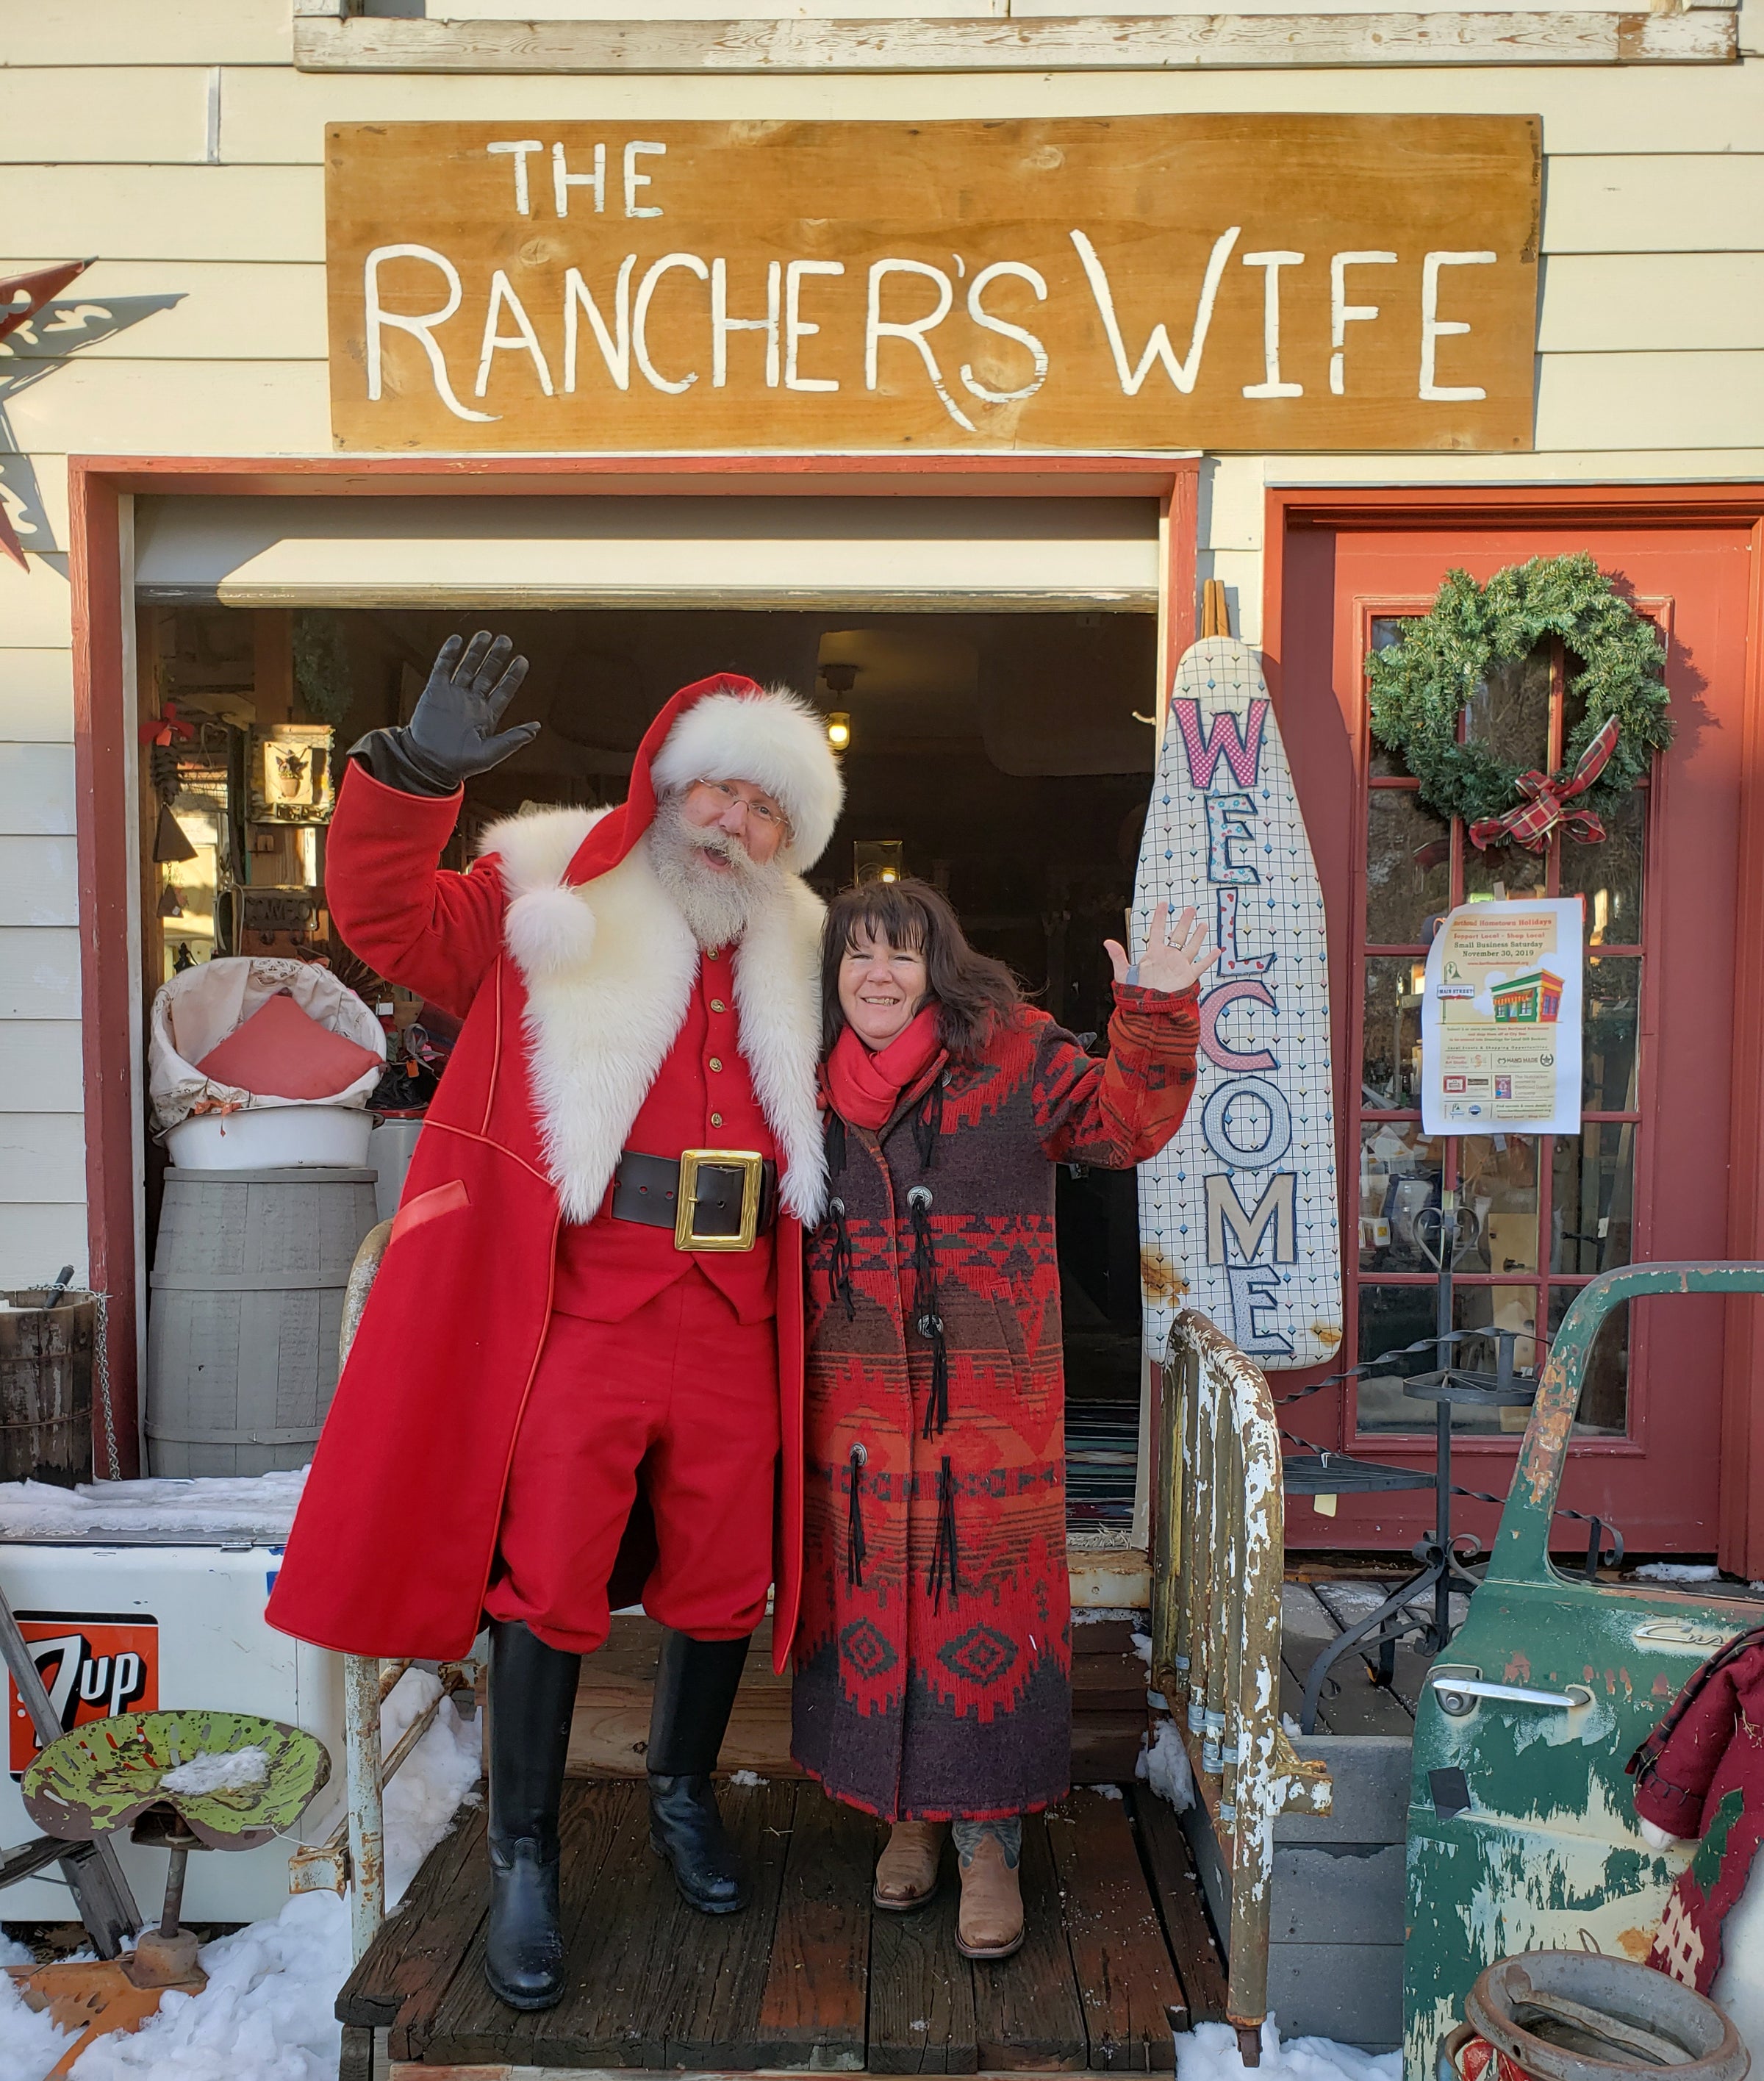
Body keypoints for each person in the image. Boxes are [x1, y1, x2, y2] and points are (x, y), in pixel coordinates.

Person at [265, 632, 842, 2009]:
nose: (737, 822)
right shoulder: (552, 882)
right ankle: (523, 1850)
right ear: (670, 786)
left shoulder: (811, 944)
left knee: (725, 1572)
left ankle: (682, 1793)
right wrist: (415, 776)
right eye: (720, 791)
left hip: (740, 1309)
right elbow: (392, 925)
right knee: (552, 1573)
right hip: (583, 1306)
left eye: (767, 808)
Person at [791, 880, 1213, 1958]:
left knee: (982, 1604)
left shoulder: (1015, 1054)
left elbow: (1126, 1125)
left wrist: (1156, 1013)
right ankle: (907, 1818)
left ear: (939, 967)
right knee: (874, 1599)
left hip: (990, 1410)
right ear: (833, 974)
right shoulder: (798, 1078)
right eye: (858, 955)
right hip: (856, 1414)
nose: (879, 975)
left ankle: (990, 1841)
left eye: (902, 954)